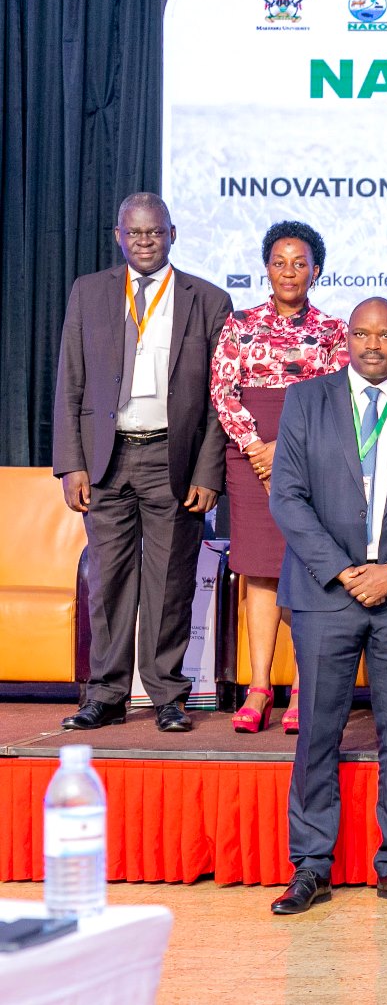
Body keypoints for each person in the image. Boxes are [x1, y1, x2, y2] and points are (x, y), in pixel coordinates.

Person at [267, 298, 387, 915]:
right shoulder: (307, 401)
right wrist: (345, 571)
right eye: (362, 333)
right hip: (327, 594)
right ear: (346, 338)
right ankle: (311, 866)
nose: (373, 345)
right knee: (318, 733)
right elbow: (288, 497)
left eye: (385, 335)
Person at [53, 192, 231, 732]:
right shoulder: (89, 292)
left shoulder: (209, 299)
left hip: (172, 459)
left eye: (155, 232)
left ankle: (168, 696)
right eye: (136, 233)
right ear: (119, 236)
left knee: (171, 581)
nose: (146, 241)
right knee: (108, 581)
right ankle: (104, 694)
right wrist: (71, 464)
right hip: (106, 459)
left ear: (173, 234)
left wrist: (207, 471)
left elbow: (220, 400)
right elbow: (70, 382)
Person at [210, 220, 348, 733]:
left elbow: (336, 400)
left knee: (308, 569)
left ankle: (302, 689)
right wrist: (255, 447)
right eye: (279, 261)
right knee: (260, 571)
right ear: (266, 268)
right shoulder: (240, 323)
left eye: (300, 262)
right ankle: (260, 686)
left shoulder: (335, 332)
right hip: (249, 458)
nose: (289, 271)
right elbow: (224, 392)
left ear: (316, 270)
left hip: (312, 458)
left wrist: (285, 450)